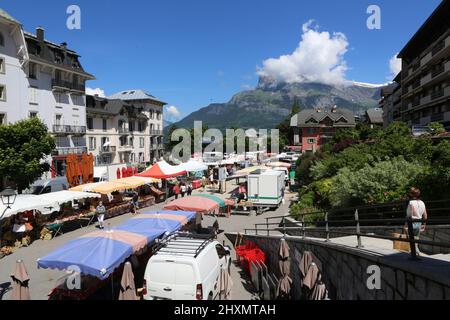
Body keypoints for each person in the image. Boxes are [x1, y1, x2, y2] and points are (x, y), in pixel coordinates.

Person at [405, 187, 428, 254]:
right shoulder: (422, 203)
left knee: (410, 238)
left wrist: (406, 225)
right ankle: (416, 252)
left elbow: (410, 215)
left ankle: (414, 253)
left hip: (412, 222)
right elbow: (425, 215)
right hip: (419, 222)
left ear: (411, 194)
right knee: (416, 238)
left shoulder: (411, 202)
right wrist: (424, 224)